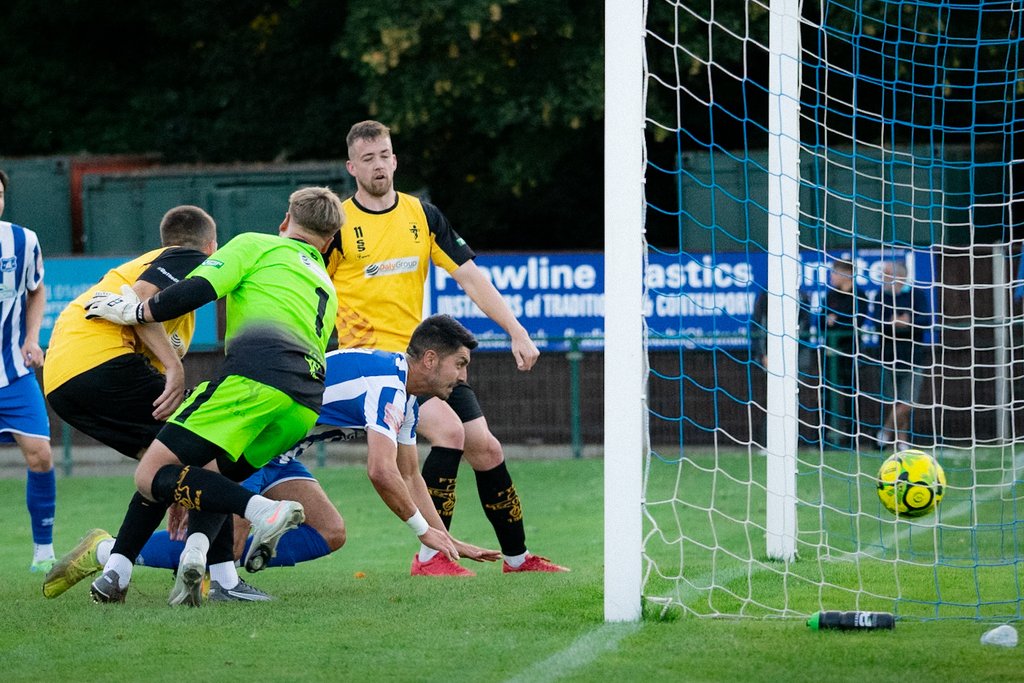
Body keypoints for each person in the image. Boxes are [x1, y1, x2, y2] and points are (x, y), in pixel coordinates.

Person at [77, 186, 346, 606]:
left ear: (284, 222)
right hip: (302, 405)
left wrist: (136, 312)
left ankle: (262, 511)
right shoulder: (326, 285)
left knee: (150, 474)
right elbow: (331, 345)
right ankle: (129, 572)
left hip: (255, 380)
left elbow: (198, 288)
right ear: (328, 241)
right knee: (207, 479)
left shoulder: (257, 244)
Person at [327, 120, 567, 575]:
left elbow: (471, 276)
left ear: (395, 160)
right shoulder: (338, 223)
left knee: (487, 449)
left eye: (385, 155)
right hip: (376, 367)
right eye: (368, 159)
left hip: (427, 362)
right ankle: (432, 555)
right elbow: (311, 287)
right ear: (352, 167)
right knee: (450, 434)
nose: (378, 165)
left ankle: (517, 560)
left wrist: (517, 330)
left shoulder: (423, 215)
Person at [40, 205, 227, 599]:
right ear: (212, 246)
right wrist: (177, 368)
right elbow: (139, 300)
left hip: (62, 384)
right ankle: (223, 578)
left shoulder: (178, 309)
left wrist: (177, 483)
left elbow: (164, 443)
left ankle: (114, 574)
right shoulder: (187, 257)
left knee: (169, 462)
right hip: (100, 361)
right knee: (214, 449)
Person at [0, 168, 56, 573]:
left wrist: (32, 338)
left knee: (40, 456)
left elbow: (36, 289)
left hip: (13, 371)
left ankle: (43, 551)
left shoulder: (23, 240)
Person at [871, 259, 931, 450]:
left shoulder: (917, 294)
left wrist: (909, 321)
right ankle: (901, 441)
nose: (884, 277)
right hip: (888, 356)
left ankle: (885, 431)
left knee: (907, 402)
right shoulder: (881, 296)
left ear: (901, 275)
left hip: (913, 357)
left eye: (888, 273)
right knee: (894, 402)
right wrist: (892, 323)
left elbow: (926, 319)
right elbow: (877, 322)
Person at [821, 259, 860, 449]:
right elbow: (821, 320)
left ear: (846, 274)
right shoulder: (830, 296)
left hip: (849, 353)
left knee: (851, 394)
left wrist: (836, 320)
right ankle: (826, 439)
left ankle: (852, 438)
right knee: (827, 394)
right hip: (830, 354)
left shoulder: (858, 296)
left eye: (835, 273)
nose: (832, 277)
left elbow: (856, 322)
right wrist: (831, 320)